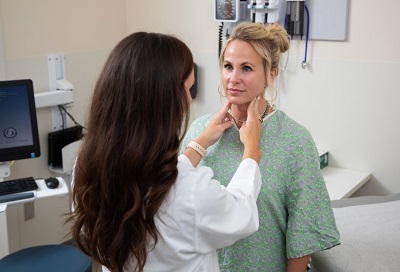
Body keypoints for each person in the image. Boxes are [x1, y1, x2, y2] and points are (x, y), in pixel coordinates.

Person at [66, 31, 265, 272]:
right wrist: (252, 152)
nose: (190, 101)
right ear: (164, 101)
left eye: (246, 68)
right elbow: (239, 214)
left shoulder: (86, 165)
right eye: (188, 90)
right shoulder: (189, 190)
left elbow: (155, 177)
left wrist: (200, 143)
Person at [181, 22, 340, 272]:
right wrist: (200, 141)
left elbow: (304, 232)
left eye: (246, 68)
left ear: (271, 74)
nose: (233, 78)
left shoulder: (295, 140)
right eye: (228, 66)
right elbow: (173, 203)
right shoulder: (200, 130)